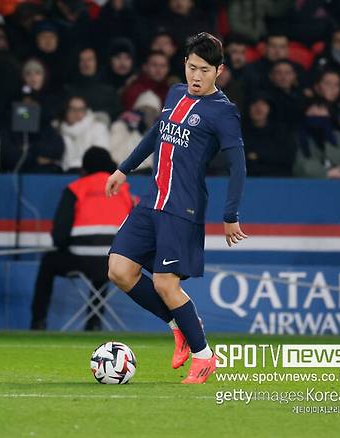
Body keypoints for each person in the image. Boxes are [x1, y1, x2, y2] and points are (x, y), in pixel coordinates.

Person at [105, 32, 247, 384]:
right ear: (184, 64)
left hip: (182, 208)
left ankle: (204, 357)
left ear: (219, 71)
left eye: (205, 70)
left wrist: (230, 215)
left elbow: (238, 167)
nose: (196, 76)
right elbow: (157, 133)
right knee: (119, 270)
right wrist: (124, 169)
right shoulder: (174, 94)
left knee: (165, 284)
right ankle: (178, 325)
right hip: (151, 201)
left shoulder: (223, 112)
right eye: (192, 67)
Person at [30, 147, 134, 331]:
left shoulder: (76, 188)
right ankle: (94, 322)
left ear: (84, 168)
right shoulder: (124, 190)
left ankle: (38, 322)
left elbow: (59, 235)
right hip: (116, 264)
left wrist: (66, 245)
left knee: (49, 262)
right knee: (107, 258)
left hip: (81, 260)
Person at [293, 99, 340, 179]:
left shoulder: (338, 136)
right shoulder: (299, 136)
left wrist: (328, 139)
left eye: (321, 110)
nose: (316, 113)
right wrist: (327, 173)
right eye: (312, 112)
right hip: (308, 183)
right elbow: (301, 166)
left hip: (339, 181)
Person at [58, 95, 110, 172]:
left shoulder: (98, 128)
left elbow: (100, 157)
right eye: (72, 109)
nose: (77, 113)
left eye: (81, 109)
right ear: (66, 111)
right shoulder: (59, 130)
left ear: (86, 111)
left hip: (91, 173)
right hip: (64, 174)